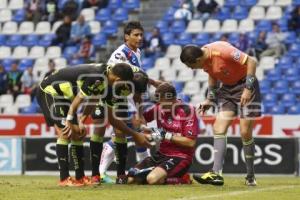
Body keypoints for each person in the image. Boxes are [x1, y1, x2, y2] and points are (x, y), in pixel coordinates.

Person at [36, 63, 150, 186]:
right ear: (118, 79)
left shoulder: (107, 81)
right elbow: (79, 99)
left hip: (66, 98)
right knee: (67, 132)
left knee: (78, 133)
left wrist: (80, 121)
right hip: (50, 92)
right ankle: (64, 179)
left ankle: (80, 178)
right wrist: (69, 120)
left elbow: (96, 102)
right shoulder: (97, 77)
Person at [180, 41, 261, 186]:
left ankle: (250, 175)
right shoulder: (204, 59)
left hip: (246, 86)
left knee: (245, 133)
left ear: (198, 60)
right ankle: (216, 173)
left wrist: (248, 89)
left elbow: (252, 62)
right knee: (218, 128)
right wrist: (209, 99)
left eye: (191, 66)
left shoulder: (223, 51)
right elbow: (212, 77)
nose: (192, 69)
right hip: (227, 90)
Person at [98, 21, 151, 184]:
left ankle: (144, 169)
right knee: (123, 135)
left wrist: (138, 111)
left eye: (141, 34)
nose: (140, 38)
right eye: (136, 35)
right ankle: (101, 172)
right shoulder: (120, 55)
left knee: (129, 135)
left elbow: (136, 82)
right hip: (118, 99)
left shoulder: (137, 52)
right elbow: (120, 81)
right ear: (126, 36)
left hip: (127, 99)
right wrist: (136, 111)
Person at [127, 82, 199, 185]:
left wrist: (165, 135)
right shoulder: (159, 107)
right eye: (159, 102)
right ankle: (161, 175)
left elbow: (190, 142)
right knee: (130, 179)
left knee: (152, 179)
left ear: (173, 99)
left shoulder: (188, 111)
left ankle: (183, 179)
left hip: (180, 157)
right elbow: (142, 121)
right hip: (160, 155)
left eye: (163, 103)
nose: (161, 106)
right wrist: (138, 105)